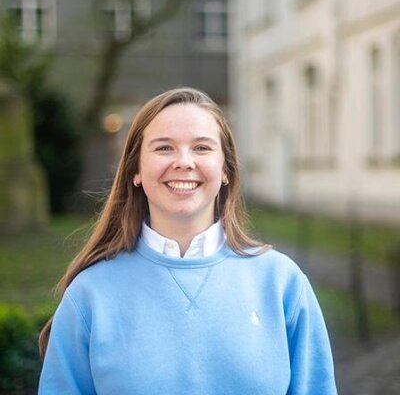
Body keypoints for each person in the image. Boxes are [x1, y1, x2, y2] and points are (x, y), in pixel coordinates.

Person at [38, 87, 337, 394]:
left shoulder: (281, 283)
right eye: (164, 148)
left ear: (226, 170)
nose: (183, 161)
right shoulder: (89, 294)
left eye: (201, 148)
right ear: (135, 170)